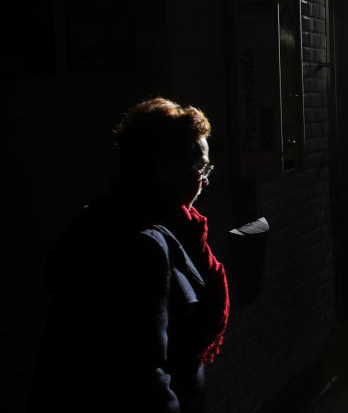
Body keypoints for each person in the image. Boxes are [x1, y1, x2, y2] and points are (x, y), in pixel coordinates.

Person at [31, 97, 229, 413]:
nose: (205, 179)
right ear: (165, 167)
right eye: (200, 167)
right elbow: (143, 373)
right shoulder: (142, 245)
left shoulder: (105, 218)